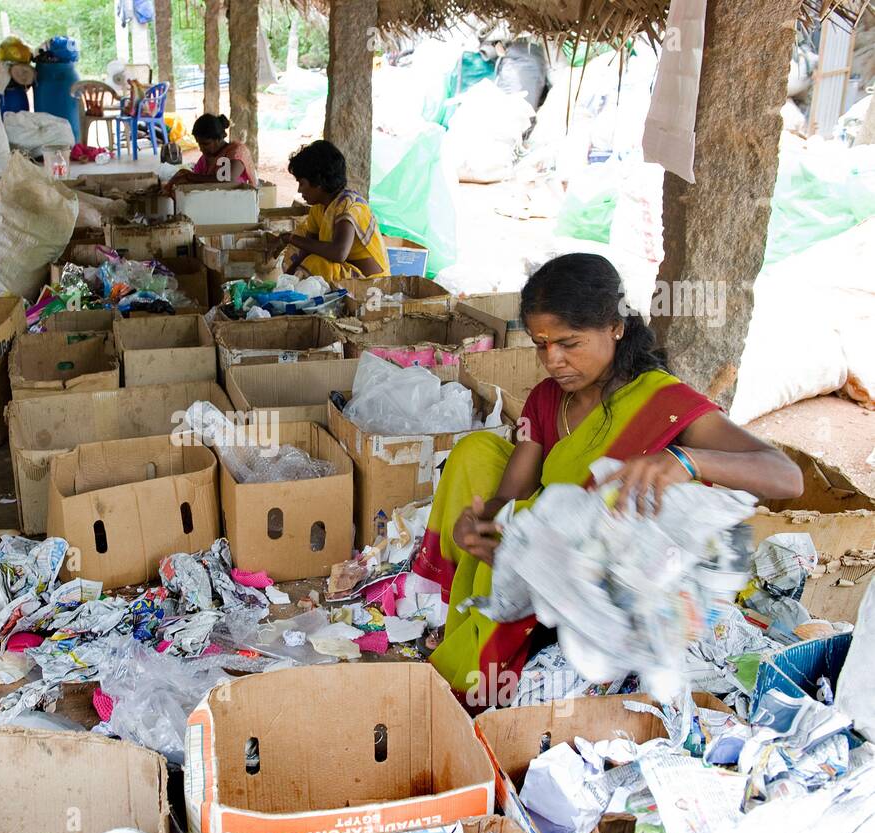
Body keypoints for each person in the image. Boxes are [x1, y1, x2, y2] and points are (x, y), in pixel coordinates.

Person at [411, 253, 804, 705]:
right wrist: (485, 528)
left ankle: (496, 665)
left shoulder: (663, 402)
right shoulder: (546, 399)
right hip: (555, 572)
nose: (553, 360)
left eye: (569, 343)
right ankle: (487, 642)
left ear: (615, 328)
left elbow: (786, 477)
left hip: (619, 589)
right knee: (476, 453)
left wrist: (686, 461)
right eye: (541, 344)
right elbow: (511, 495)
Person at [269, 139, 389, 282]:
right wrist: (286, 280)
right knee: (299, 258)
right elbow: (307, 250)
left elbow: (339, 253)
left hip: (370, 283)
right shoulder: (318, 209)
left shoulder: (348, 206)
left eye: (302, 183)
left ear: (318, 181)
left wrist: (289, 238)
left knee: (316, 264)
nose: (299, 190)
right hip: (346, 275)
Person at [164, 113, 255, 194]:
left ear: (219, 139)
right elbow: (197, 185)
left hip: (239, 204)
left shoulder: (237, 152)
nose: (201, 148)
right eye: (199, 143)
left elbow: (228, 180)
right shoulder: (204, 160)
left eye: (206, 144)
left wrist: (189, 176)